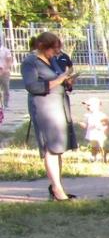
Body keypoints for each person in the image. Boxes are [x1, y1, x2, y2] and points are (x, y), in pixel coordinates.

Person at [21, 32, 78, 201]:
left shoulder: (52, 60)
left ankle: (57, 186)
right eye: (53, 49)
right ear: (42, 47)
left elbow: (59, 79)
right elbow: (32, 86)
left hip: (59, 105)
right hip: (44, 108)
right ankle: (57, 188)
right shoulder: (30, 62)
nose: (56, 52)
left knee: (58, 147)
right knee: (50, 148)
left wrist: (67, 82)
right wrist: (58, 80)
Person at [0, 35, 14, 109]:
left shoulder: (6, 50)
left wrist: (4, 70)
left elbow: (9, 61)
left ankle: (5, 104)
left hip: (4, 72)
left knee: (6, 88)